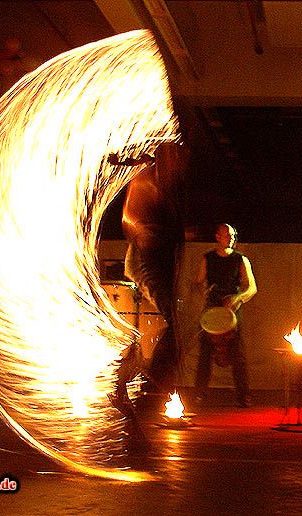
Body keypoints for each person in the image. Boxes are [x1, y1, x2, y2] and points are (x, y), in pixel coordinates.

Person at [107, 141, 189, 415]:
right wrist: (148, 234)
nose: (181, 167)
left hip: (157, 258)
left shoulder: (164, 188)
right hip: (147, 259)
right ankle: (140, 384)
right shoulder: (147, 181)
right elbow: (130, 220)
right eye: (177, 160)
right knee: (174, 326)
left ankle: (139, 384)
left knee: (174, 326)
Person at [193, 223, 257, 407]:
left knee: (238, 355)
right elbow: (198, 282)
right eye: (226, 235)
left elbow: (252, 287)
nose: (230, 238)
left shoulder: (241, 260)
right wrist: (202, 291)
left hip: (232, 311)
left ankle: (243, 395)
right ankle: (199, 393)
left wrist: (238, 297)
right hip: (212, 309)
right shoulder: (208, 258)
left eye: (232, 235)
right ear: (218, 237)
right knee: (205, 353)